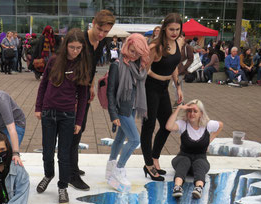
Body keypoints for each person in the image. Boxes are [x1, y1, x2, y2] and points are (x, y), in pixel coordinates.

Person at [34, 28, 91, 204]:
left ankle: (63, 186)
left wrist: (79, 121)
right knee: (48, 151)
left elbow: (83, 97)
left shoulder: (83, 66)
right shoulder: (53, 61)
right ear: (66, 45)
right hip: (48, 113)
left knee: (64, 154)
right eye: (72, 47)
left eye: (78, 48)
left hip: (68, 115)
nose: (75, 51)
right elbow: (43, 85)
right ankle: (48, 174)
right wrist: (38, 107)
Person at [69, 9, 115, 191]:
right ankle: (70, 174)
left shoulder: (101, 41)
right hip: (72, 90)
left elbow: (93, 66)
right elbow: (69, 65)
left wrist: (91, 85)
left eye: (106, 32)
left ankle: (74, 166)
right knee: (73, 131)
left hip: (84, 90)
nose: (102, 34)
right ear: (93, 23)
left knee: (81, 128)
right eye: (100, 29)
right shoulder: (80, 39)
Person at [140, 13, 184, 182]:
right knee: (149, 126)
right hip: (150, 87)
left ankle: (155, 157)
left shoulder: (178, 42)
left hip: (164, 89)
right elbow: (144, 69)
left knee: (167, 125)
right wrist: (160, 78)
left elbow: (174, 66)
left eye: (177, 29)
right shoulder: (155, 47)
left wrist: (177, 86)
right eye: (171, 29)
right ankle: (148, 164)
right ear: (165, 28)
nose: (174, 32)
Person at [106, 33, 149, 192]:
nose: (135, 54)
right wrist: (113, 115)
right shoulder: (117, 65)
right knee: (134, 140)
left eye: (138, 52)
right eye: (133, 50)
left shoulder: (139, 67)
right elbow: (110, 92)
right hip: (121, 109)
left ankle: (111, 167)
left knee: (120, 139)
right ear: (126, 46)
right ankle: (119, 168)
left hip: (131, 108)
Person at [165, 100, 223, 199]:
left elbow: (220, 125)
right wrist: (178, 108)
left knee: (199, 164)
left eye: (195, 111)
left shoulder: (208, 125)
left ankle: (198, 188)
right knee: (185, 161)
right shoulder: (183, 124)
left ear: (201, 113)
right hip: (182, 157)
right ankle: (177, 187)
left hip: (200, 158)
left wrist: (209, 140)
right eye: (189, 111)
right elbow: (169, 126)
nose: (191, 114)